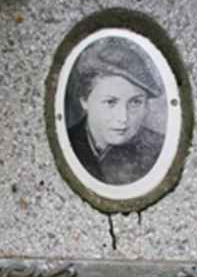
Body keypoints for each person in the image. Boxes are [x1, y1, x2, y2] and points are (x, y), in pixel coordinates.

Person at [67, 37, 165, 185]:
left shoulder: (158, 150)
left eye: (135, 102)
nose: (123, 118)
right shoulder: (68, 143)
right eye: (110, 102)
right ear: (84, 100)